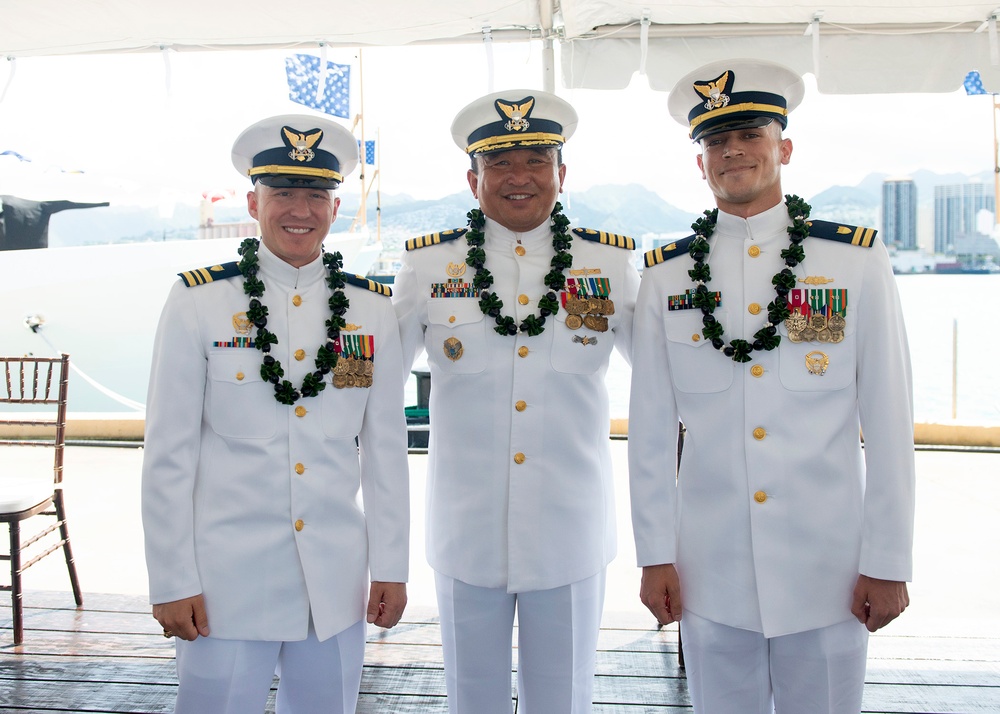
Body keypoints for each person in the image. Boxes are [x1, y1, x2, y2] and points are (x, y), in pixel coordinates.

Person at [628, 59, 916, 713]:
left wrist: (889, 559)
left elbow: (892, 422)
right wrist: (655, 556)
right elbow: (648, 433)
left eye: (750, 134)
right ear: (699, 164)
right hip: (711, 571)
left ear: (783, 147)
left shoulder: (853, 260)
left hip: (830, 570)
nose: (733, 151)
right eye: (715, 141)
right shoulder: (667, 278)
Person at [141, 114, 409, 714]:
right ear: (252, 201)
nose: (300, 209)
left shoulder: (370, 310)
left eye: (316, 194)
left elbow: (387, 452)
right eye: (282, 192)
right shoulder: (199, 301)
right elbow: (167, 454)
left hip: (334, 585)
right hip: (225, 582)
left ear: (335, 208)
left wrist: (390, 566)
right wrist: (171, 579)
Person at [392, 89, 640, 713]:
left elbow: (671, 381)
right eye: (500, 163)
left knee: (564, 702)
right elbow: (368, 391)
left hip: (570, 531)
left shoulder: (608, 262)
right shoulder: (428, 266)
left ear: (563, 173)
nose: (519, 177)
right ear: (472, 180)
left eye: (536, 159)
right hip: (465, 531)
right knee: (470, 701)